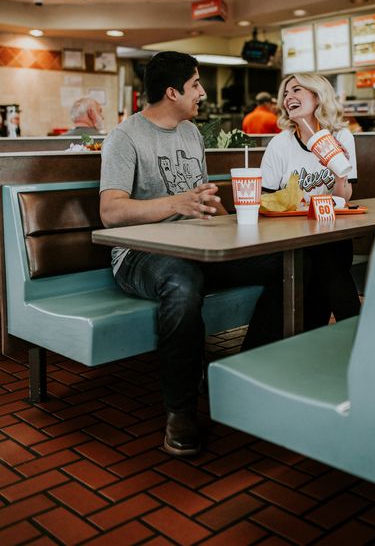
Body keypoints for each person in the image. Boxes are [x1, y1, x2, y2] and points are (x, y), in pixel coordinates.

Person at [99, 51, 283, 458]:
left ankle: (242, 373)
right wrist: (175, 204)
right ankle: (180, 411)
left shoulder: (190, 134)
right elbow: (110, 212)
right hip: (138, 254)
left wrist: (236, 224)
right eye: (196, 85)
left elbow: (199, 199)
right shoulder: (124, 137)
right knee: (182, 283)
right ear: (171, 92)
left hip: (198, 245)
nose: (202, 93)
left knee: (282, 262)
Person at [260, 73, 360, 329]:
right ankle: (358, 334)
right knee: (325, 264)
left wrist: (340, 172)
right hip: (290, 237)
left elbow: (342, 200)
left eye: (296, 90)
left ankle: (345, 335)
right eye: (285, 93)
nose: (288, 97)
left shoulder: (341, 136)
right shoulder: (279, 144)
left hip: (329, 235)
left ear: (317, 96)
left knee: (328, 257)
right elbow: (266, 200)